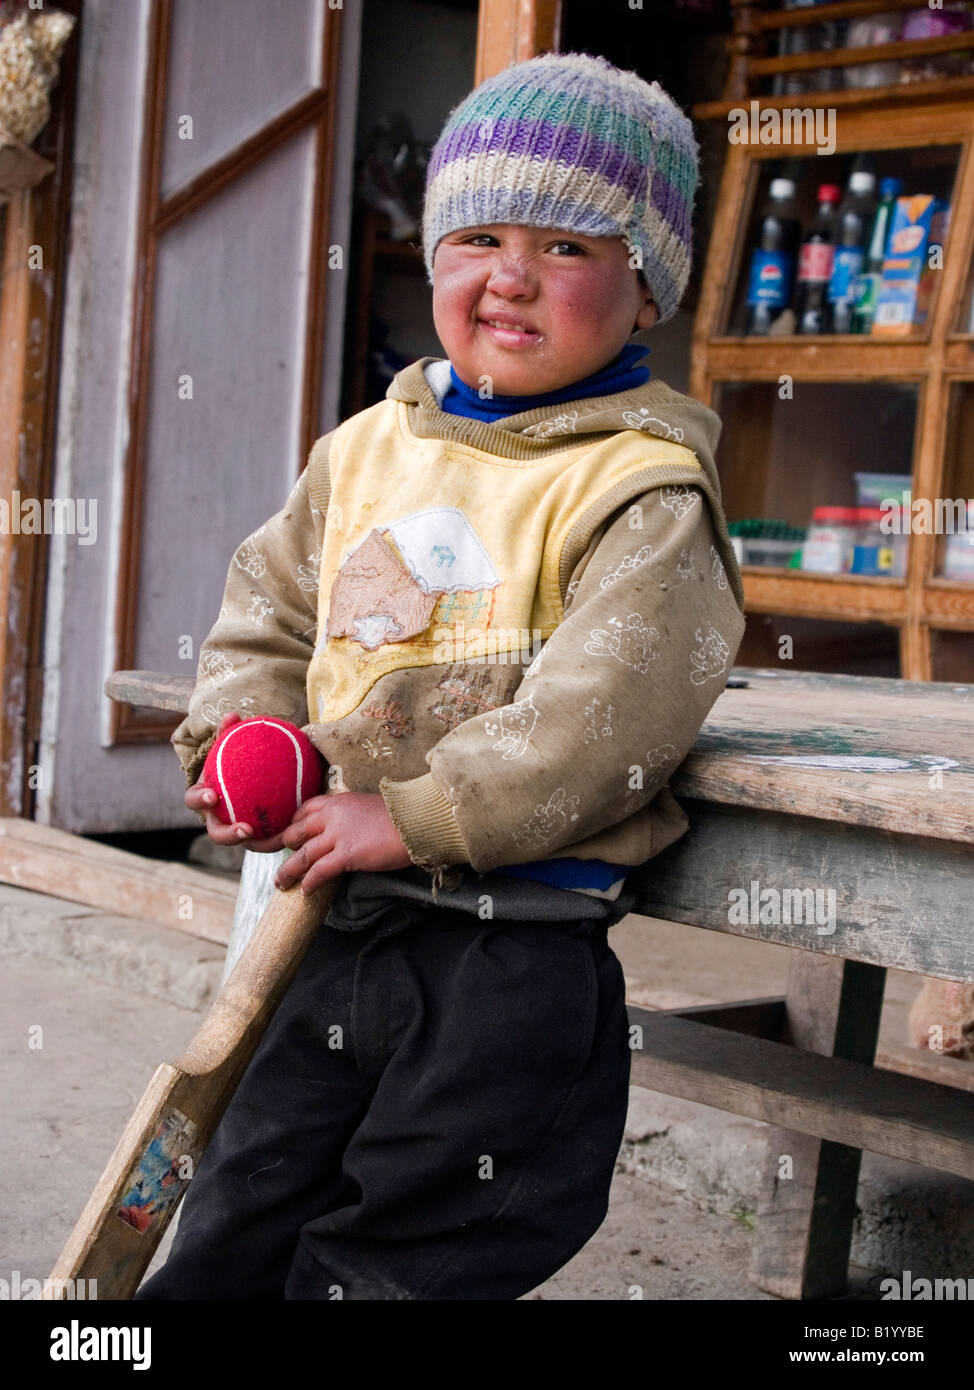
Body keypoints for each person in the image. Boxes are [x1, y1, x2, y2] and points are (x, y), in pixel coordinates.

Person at [135, 51, 746, 1301]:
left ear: (645, 292)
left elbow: (604, 714)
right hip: (334, 917)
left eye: (570, 246)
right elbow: (269, 604)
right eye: (475, 234)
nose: (510, 275)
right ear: (433, 262)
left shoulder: (637, 485)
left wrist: (411, 814)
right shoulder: (368, 447)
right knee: (246, 1192)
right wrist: (236, 737)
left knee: (408, 1240)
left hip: (507, 941)